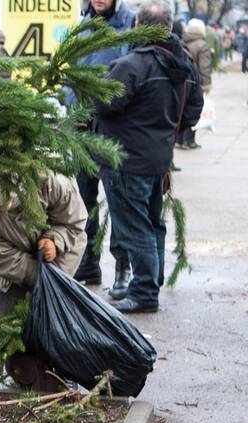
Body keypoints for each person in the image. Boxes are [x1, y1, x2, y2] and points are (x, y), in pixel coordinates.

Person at [93, 1, 203, 313]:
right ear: (169, 28)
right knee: (152, 223)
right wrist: (169, 130)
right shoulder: (182, 63)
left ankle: (143, 292)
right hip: (157, 158)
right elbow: (194, 106)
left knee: (135, 227)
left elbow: (104, 103)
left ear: (138, 27)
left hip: (125, 159)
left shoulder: (133, 64)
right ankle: (151, 280)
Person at [0, 175, 86, 375]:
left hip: (54, 255)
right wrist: (33, 272)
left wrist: (56, 241)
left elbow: (73, 223)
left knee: (50, 305)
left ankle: (58, 361)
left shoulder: (54, 184)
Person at [70, 0, 136, 290]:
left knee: (117, 202)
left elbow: (134, 76)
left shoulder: (129, 25)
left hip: (114, 128)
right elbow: (69, 75)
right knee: (83, 199)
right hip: (82, 128)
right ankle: (88, 262)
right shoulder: (81, 26)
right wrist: (73, 108)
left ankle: (123, 265)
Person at [177, 18, 212, 150]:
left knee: (183, 110)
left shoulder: (183, 41)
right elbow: (205, 67)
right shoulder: (202, 45)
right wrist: (207, 84)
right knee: (194, 110)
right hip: (197, 82)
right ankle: (190, 140)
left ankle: (181, 140)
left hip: (183, 81)